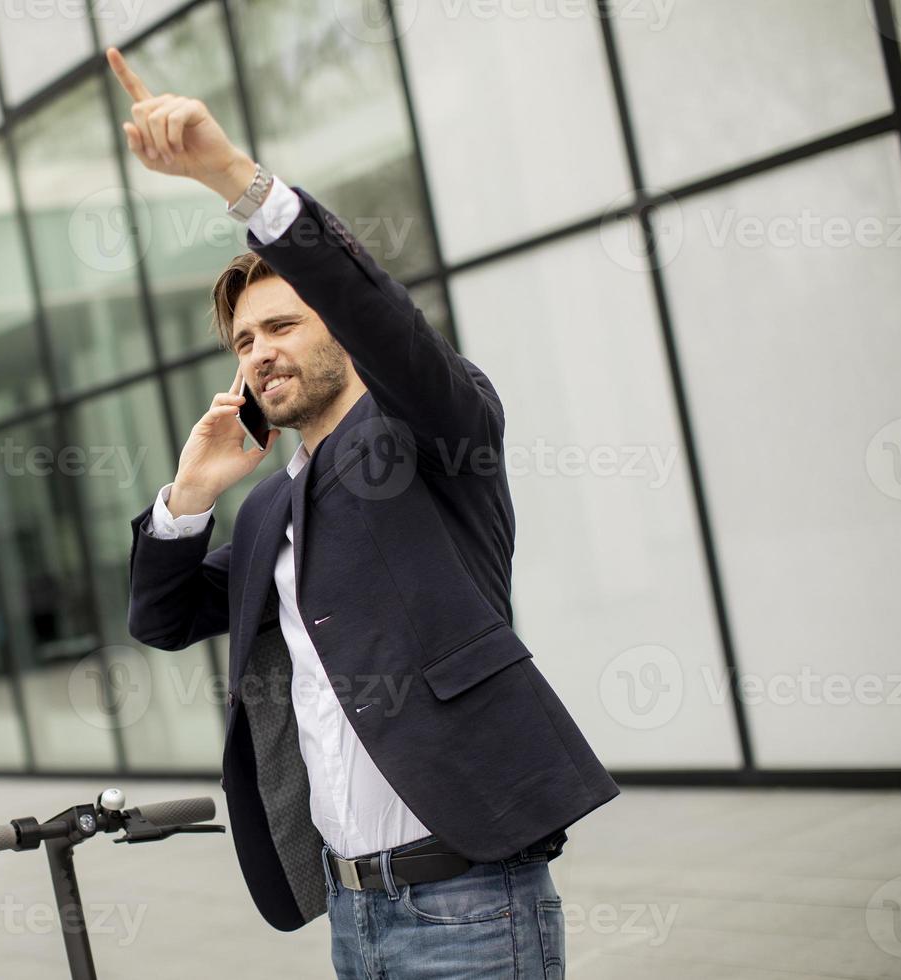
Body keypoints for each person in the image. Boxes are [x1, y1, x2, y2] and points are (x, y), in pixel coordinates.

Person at [110, 47, 619, 979]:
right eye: (244, 341)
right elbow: (161, 617)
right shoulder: (269, 512)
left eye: (284, 324)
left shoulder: (432, 427)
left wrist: (233, 178)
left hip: (468, 904)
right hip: (351, 911)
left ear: (339, 326)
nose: (259, 352)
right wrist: (190, 496)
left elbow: (385, 319)